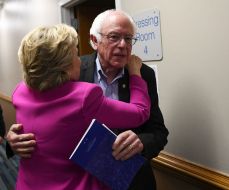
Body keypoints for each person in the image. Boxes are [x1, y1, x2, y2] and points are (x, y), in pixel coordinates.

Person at [7, 9, 169, 190]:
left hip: (131, 181)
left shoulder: (143, 74)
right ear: (94, 41)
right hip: (82, 182)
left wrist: (141, 142)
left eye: (128, 38)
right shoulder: (71, 75)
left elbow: (159, 132)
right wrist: (12, 141)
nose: (123, 45)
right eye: (114, 37)